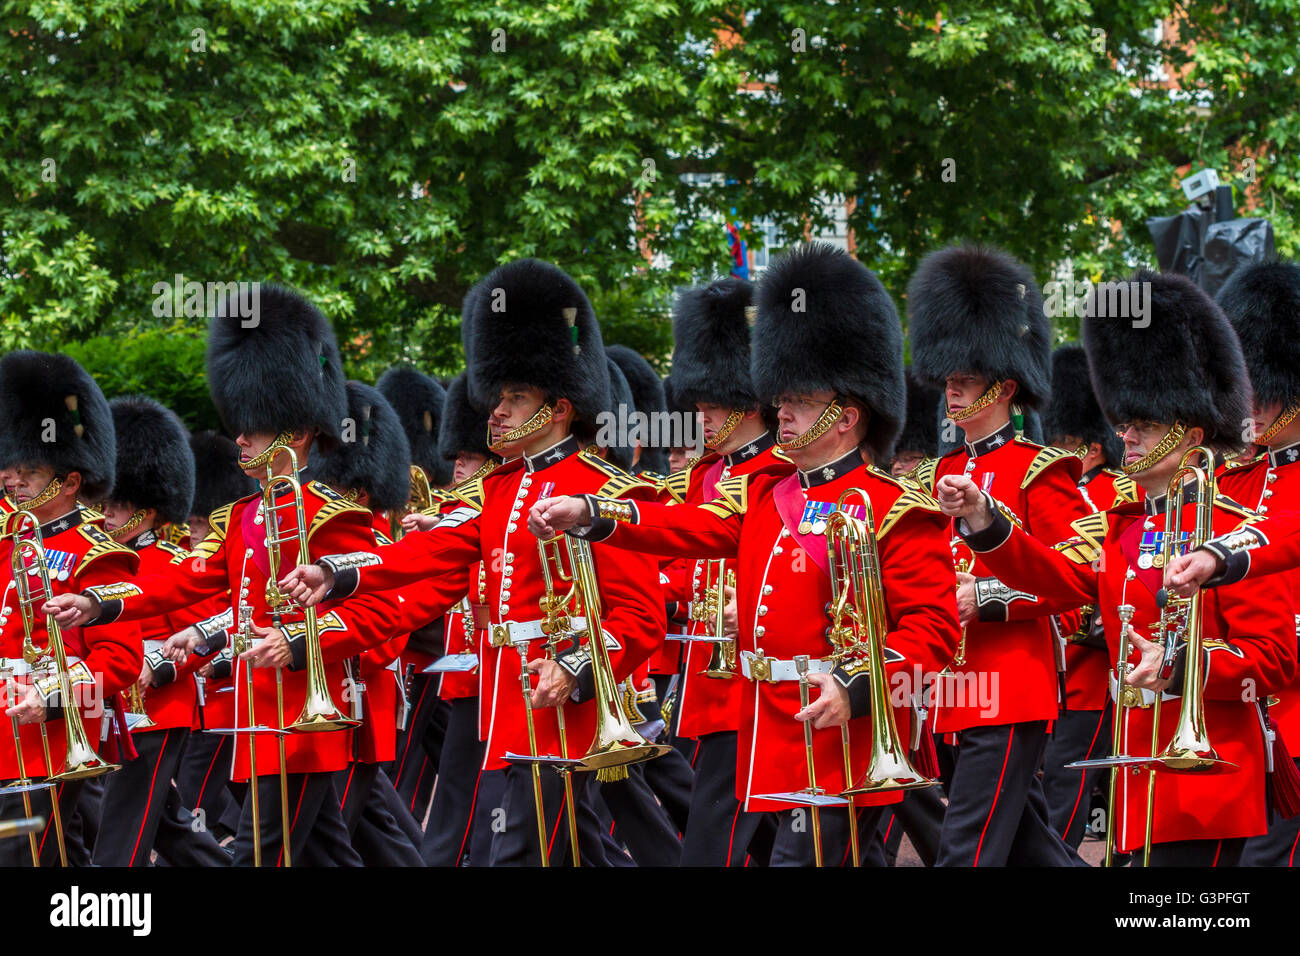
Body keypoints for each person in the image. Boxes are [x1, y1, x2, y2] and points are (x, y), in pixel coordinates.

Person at [527, 242, 960, 866]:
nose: (780, 410)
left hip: (840, 739)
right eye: (781, 397)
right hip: (767, 737)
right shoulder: (763, 494)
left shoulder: (892, 507)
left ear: (845, 415)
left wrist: (858, 684)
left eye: (801, 401)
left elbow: (933, 629)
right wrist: (594, 515)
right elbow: (686, 528)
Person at [276, 258, 667, 866]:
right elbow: (436, 553)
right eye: (500, 394)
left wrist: (578, 667)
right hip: (513, 702)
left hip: (569, 701)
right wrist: (340, 573)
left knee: (521, 850)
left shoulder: (605, 492)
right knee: (564, 848)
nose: (496, 411)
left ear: (559, 408)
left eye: (516, 396)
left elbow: (642, 617)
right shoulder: (507, 490)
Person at [938, 270, 1296, 866]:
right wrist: (987, 521)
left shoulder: (1231, 526)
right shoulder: (1127, 525)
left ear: (1191, 432)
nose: (1125, 437)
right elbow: (1055, 579)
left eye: (1145, 427)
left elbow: (1274, 656)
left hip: (1209, 777)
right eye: (1126, 425)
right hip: (1139, 777)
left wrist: (1183, 664)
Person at [47, 285, 401, 866]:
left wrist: (301, 640)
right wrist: (102, 603)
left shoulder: (334, 517)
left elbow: (378, 611)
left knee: (258, 855)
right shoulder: (242, 515)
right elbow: (191, 583)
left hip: (303, 717)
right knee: (326, 854)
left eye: (254, 428)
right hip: (258, 715)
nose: (240, 437)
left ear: (299, 430)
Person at [906, 244, 1089, 866]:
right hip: (948, 691)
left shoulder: (1042, 472)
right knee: (1028, 850)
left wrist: (982, 598)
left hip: (1011, 687)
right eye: (948, 381)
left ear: (1004, 386)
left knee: (965, 852)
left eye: (963, 382)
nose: (950, 394)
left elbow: (1073, 581)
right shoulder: (941, 470)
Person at [0, 350, 143, 866]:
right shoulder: (8, 539)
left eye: (28, 471)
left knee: (21, 856)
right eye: (9, 469)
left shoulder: (99, 555)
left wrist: (54, 695)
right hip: (5, 729)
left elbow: (121, 659)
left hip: (54, 734)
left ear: (71, 480)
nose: (12, 481)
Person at [91, 396, 230, 867]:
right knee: (167, 824)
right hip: (107, 706)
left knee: (123, 826)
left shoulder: (171, 564)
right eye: (106, 503)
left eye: (120, 505)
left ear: (148, 511)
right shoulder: (100, 562)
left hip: (157, 710)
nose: (107, 514)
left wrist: (162, 669)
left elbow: (204, 634)